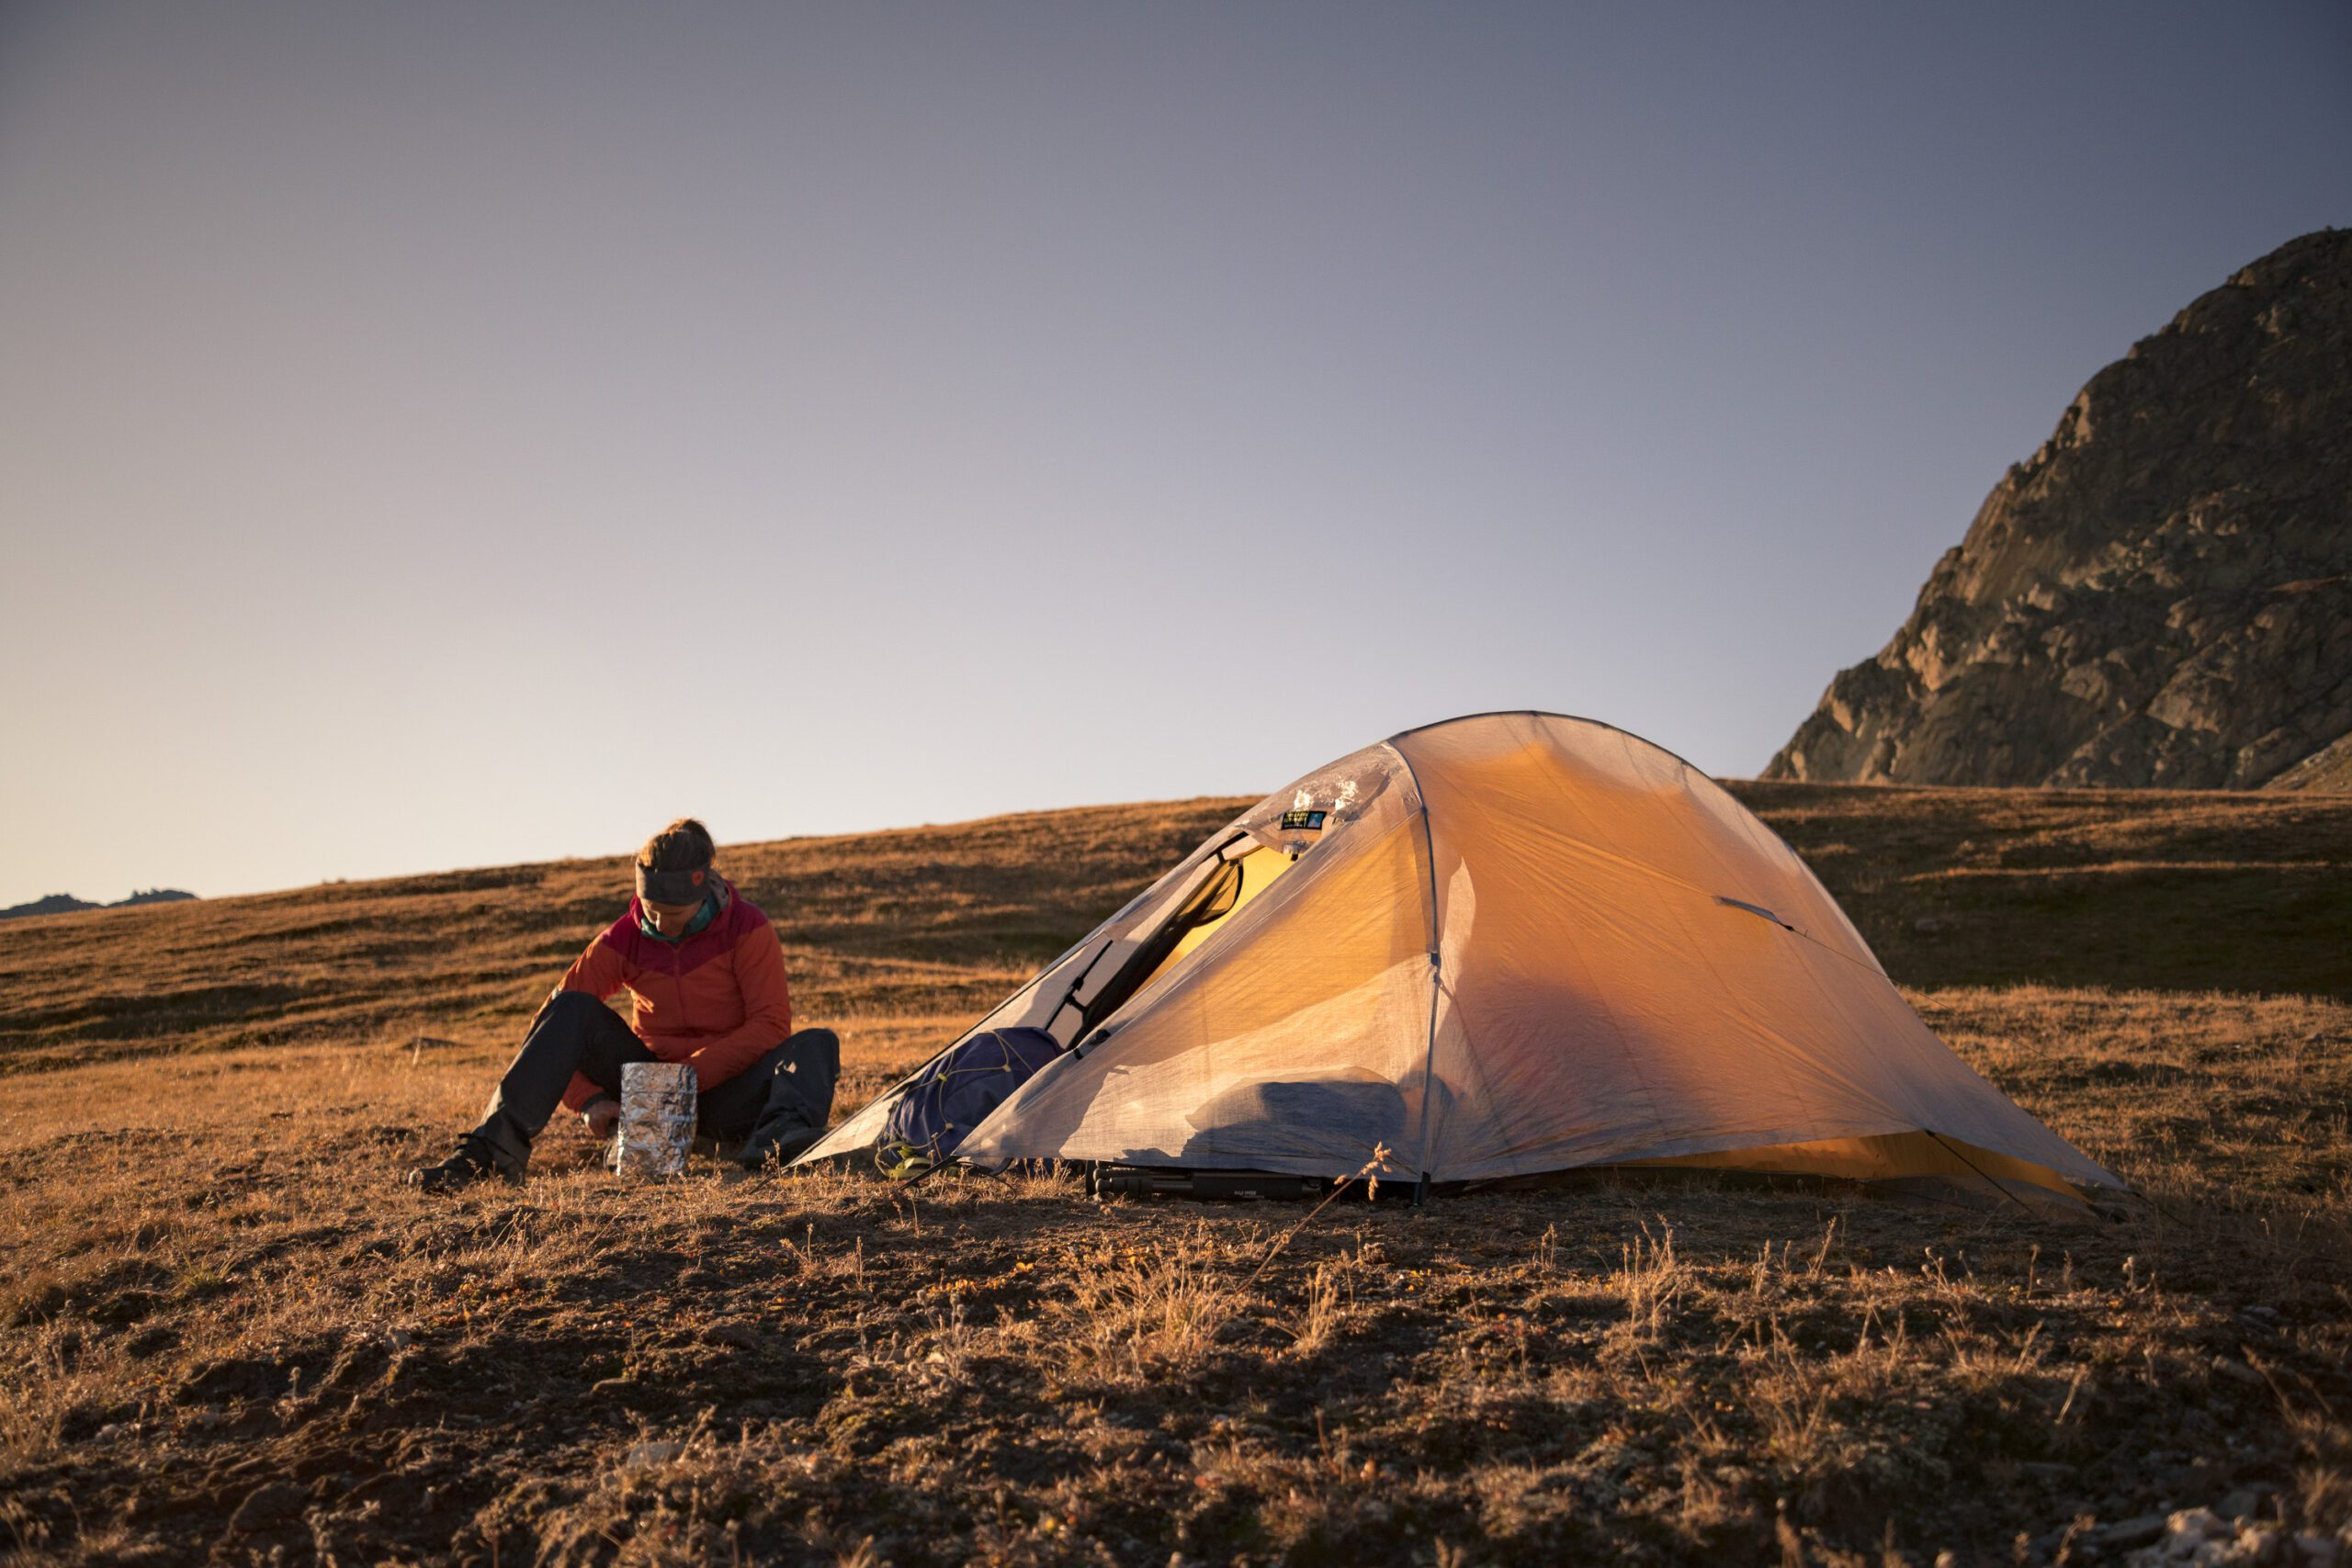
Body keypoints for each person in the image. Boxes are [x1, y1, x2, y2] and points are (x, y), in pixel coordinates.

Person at [405, 818, 838, 1190]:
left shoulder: (747, 927)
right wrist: (589, 1099)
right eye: (651, 909)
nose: (661, 923)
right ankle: (489, 1155)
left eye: (676, 912)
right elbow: (548, 1025)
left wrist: (688, 1078)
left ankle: (774, 1146)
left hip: (729, 1093)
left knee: (815, 1044)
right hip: (645, 1094)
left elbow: (769, 1025)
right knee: (571, 1008)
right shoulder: (623, 938)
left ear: (703, 890)